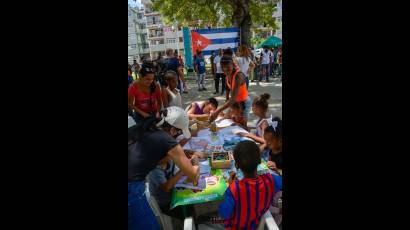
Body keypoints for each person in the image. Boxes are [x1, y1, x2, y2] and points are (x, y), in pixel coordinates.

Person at [128, 106, 200, 230]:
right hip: (131, 188)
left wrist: (179, 154)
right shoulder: (166, 139)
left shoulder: (145, 127)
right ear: (172, 130)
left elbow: (151, 154)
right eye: (178, 132)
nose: (178, 136)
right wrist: (195, 163)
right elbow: (193, 175)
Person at [219, 141, 282, 229]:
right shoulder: (271, 180)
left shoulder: (234, 189)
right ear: (260, 161)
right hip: (256, 224)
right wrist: (279, 170)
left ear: (236, 165)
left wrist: (230, 187)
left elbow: (224, 214)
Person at [147, 153, 203, 221]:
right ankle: (192, 222)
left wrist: (190, 165)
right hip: (166, 203)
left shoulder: (169, 161)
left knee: (190, 205)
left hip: (175, 194)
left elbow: (178, 174)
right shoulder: (154, 170)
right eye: (169, 153)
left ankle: (194, 220)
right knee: (187, 214)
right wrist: (183, 169)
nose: (172, 154)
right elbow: (166, 188)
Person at [209, 56, 252, 126]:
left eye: (227, 68)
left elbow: (233, 99)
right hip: (235, 103)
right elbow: (229, 90)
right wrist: (227, 101)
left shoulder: (238, 76)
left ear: (232, 64)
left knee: (242, 125)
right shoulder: (228, 74)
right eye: (223, 67)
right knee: (229, 120)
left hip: (244, 103)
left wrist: (217, 111)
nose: (225, 70)